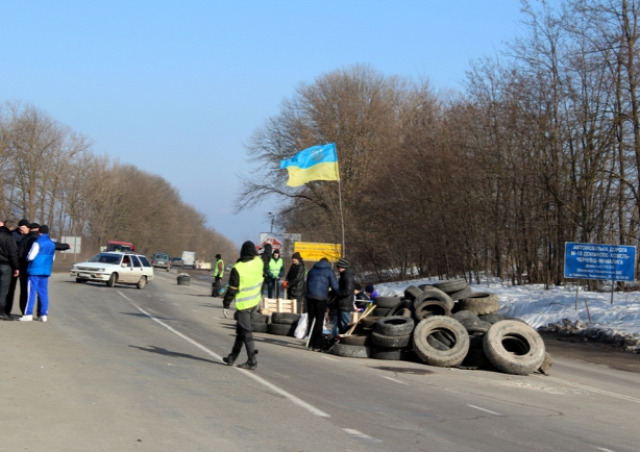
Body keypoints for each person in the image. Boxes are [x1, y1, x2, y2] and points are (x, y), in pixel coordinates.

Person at [221, 241, 263, 370]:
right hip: (254, 302)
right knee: (240, 330)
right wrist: (266, 247)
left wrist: (226, 303)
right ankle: (232, 357)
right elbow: (265, 256)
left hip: (243, 305)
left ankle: (252, 361)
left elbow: (232, 289)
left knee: (246, 332)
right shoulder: (258, 262)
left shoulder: (238, 268)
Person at [19, 225, 55, 322]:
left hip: (34, 270)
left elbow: (31, 256)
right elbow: (53, 258)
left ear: (39, 232)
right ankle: (43, 315)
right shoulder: (52, 243)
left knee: (31, 292)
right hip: (46, 270)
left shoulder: (38, 242)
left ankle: (28, 314)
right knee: (43, 293)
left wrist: (27, 258)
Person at [305, 257, 339, 351]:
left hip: (310, 297)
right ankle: (317, 344)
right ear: (327, 263)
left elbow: (307, 283)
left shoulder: (312, 271)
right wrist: (339, 293)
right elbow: (335, 286)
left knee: (311, 319)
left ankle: (310, 342)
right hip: (321, 298)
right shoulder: (329, 271)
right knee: (319, 321)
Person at [4, 219, 27, 317]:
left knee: (24, 290)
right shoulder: (12, 235)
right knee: (10, 290)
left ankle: (24, 312)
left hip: (23, 266)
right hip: (14, 265)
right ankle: (6, 310)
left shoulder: (29, 236)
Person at [0, 221, 20, 321]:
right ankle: (2, 312)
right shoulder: (8, 237)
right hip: (5, 265)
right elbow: (12, 253)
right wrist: (16, 267)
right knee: (4, 290)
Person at [334, 258, 356, 334]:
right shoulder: (344, 275)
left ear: (342, 267)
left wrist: (337, 292)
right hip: (343, 304)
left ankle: (345, 340)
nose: (337, 269)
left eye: (338, 267)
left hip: (345, 304)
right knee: (341, 324)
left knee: (345, 325)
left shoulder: (347, 276)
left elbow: (347, 291)